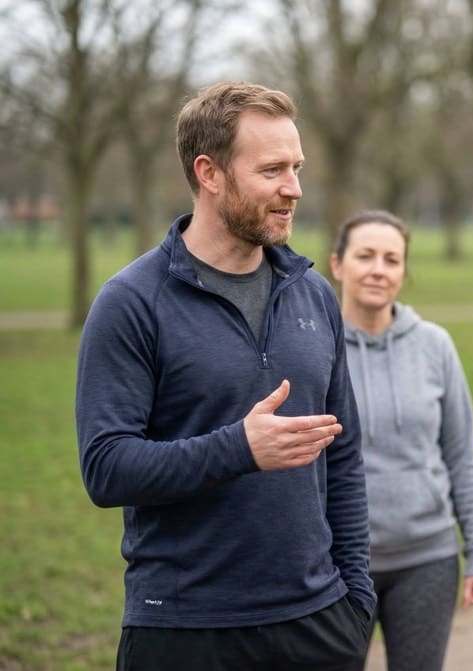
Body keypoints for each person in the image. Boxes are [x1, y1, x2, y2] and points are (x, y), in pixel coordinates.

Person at [76, 81, 375, 670]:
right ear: (209, 173)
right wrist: (238, 448)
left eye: (297, 167)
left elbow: (343, 457)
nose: (293, 188)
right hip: (185, 631)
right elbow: (106, 468)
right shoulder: (131, 302)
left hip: (319, 627)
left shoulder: (313, 293)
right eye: (272, 170)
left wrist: (355, 600)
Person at [329, 209, 473, 671]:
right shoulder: (314, 348)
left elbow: (463, 456)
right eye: (365, 256)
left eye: (392, 259)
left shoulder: (434, 345)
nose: (379, 270)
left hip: (427, 560)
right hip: (338, 564)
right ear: (338, 265)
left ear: (404, 270)